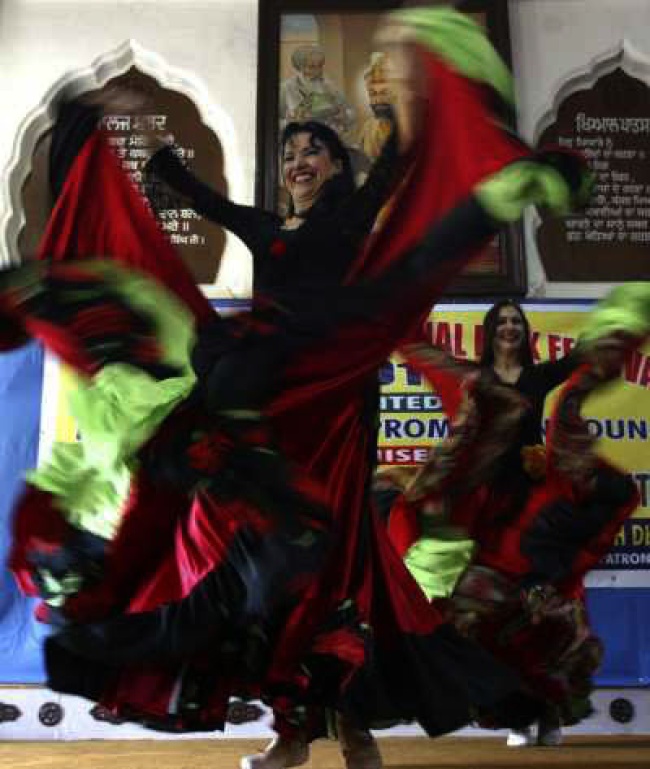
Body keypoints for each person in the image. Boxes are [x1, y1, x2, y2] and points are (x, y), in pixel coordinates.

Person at [4, 7, 594, 769]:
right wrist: (131, 131)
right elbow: (189, 193)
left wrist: (405, 101)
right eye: (291, 151)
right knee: (268, 551)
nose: (300, 158)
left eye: (314, 148)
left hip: (333, 390)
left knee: (339, 558)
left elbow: (400, 178)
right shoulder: (263, 227)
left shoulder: (352, 217)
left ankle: (352, 727)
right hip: (270, 393)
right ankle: (292, 731)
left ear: (337, 166)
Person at [386, 291, 648, 748]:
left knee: (544, 606)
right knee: (485, 614)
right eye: (503, 321)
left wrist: (621, 329)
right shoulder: (473, 378)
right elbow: (423, 354)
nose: (510, 327)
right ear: (490, 331)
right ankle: (515, 714)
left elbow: (588, 358)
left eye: (516, 321)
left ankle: (551, 713)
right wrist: (404, 295)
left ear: (525, 333)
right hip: (479, 512)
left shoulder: (539, 376)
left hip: (530, 510)